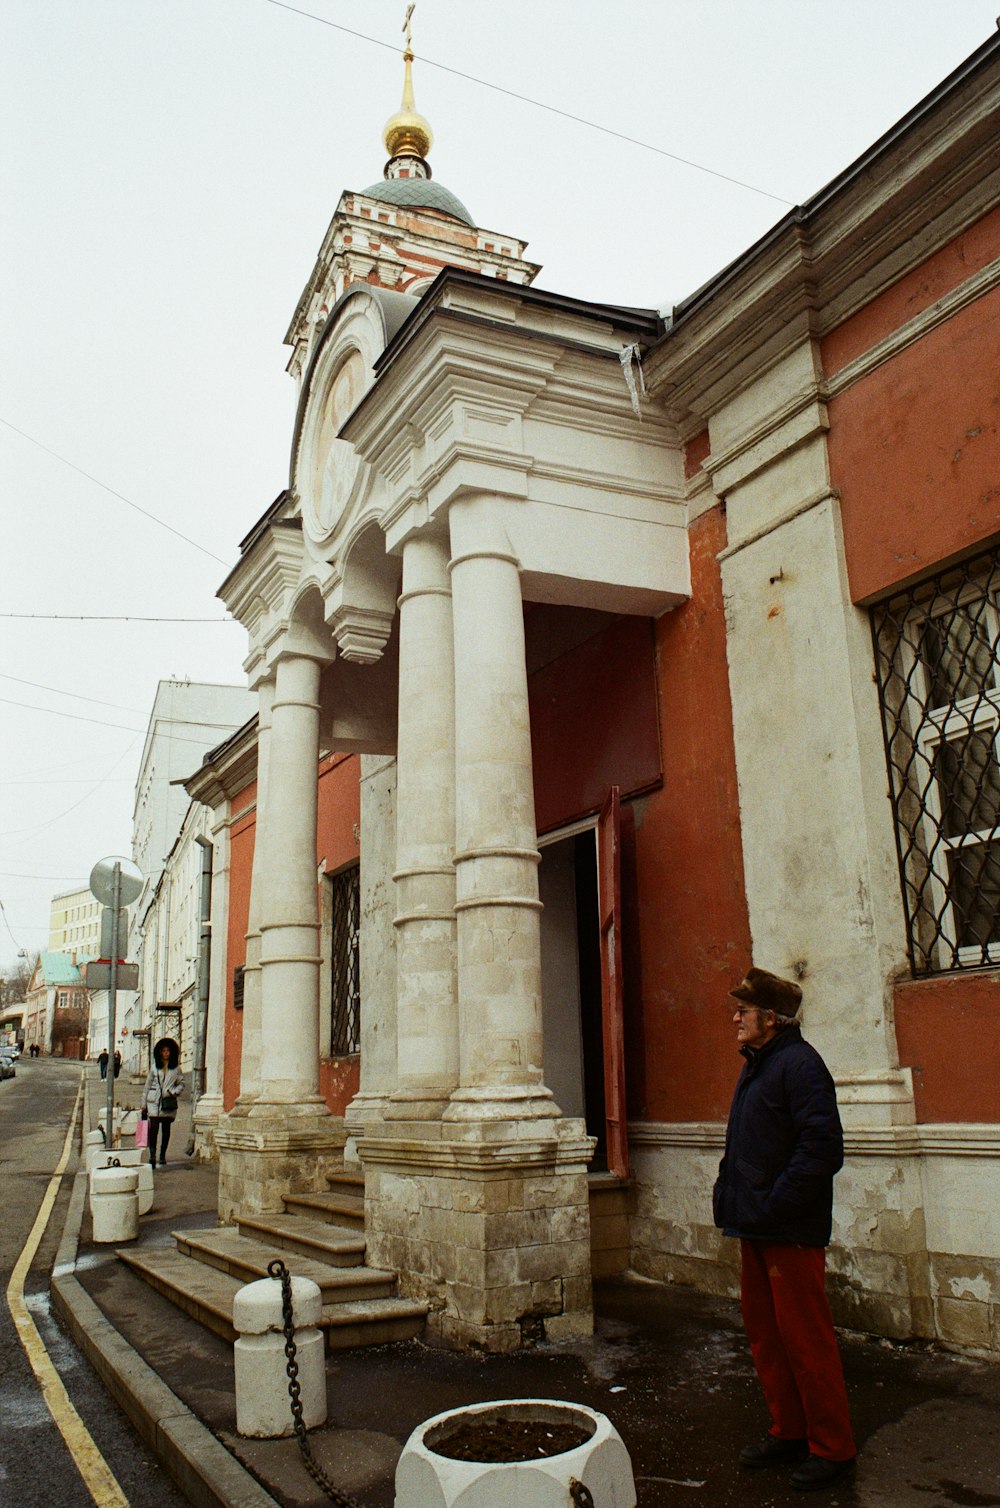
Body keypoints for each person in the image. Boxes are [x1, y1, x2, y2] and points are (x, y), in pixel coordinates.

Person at [713, 967, 856, 1492]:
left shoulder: (800, 1065)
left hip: (787, 1229)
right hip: (757, 1223)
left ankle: (833, 1448)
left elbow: (822, 1151)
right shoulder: (760, 1064)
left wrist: (775, 1205)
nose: (735, 1018)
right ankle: (790, 1430)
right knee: (768, 1337)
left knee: (805, 1341)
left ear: (770, 1019)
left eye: (743, 1011)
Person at [140, 1038, 184, 1168]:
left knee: (166, 1131)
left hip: (168, 1103)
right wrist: (143, 1104)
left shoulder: (176, 1068)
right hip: (153, 1102)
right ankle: (152, 1155)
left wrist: (173, 1092)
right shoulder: (154, 1068)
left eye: (168, 1051)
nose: (165, 1053)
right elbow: (147, 1086)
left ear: (171, 1052)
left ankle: (162, 1155)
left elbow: (181, 1084)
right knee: (153, 1130)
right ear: (159, 1053)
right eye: (163, 1051)